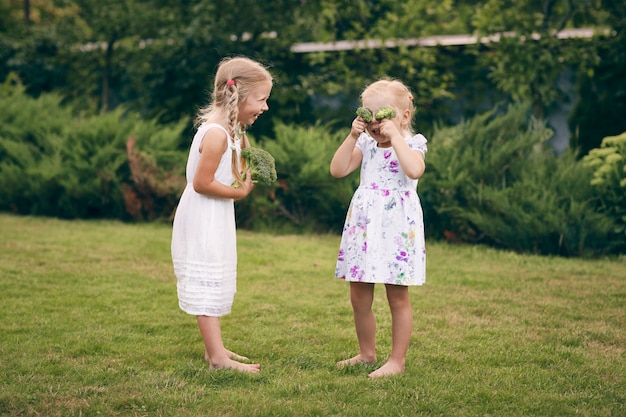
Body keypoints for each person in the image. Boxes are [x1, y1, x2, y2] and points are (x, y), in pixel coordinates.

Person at [171, 56, 273, 373]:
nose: (265, 107)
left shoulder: (230, 130)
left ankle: (216, 349)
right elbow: (201, 183)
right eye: (262, 99)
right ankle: (217, 359)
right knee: (206, 279)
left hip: (215, 214)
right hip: (204, 214)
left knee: (215, 275)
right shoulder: (215, 134)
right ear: (238, 95)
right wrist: (240, 193)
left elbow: (235, 166)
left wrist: (243, 137)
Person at [329, 78, 427, 378]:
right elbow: (338, 170)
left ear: (404, 116)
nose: (375, 122)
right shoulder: (364, 144)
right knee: (358, 296)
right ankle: (367, 353)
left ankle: (397, 361)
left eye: (383, 115)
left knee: (397, 298)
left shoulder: (413, 143)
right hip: (364, 227)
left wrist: (396, 137)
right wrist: (351, 137)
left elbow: (414, 169)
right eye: (368, 115)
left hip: (397, 229)